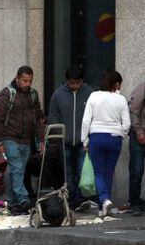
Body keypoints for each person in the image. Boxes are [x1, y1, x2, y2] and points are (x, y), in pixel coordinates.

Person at [0, 66, 45, 215]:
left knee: (18, 172)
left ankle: (11, 202)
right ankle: (24, 200)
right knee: (16, 169)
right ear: (17, 79)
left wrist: (40, 140)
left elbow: (37, 120)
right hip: (10, 138)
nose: (27, 84)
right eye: (24, 81)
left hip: (26, 140)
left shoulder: (33, 95)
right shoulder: (7, 94)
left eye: (30, 81)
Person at [81, 69, 130, 216]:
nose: (120, 87)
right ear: (115, 84)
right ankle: (104, 207)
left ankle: (104, 199)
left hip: (97, 137)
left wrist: (84, 140)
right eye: (119, 84)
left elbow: (85, 121)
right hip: (115, 139)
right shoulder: (121, 99)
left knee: (99, 172)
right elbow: (127, 124)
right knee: (109, 172)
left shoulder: (94, 96)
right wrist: (121, 134)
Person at [48, 65, 93, 211]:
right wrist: (57, 134)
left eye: (77, 83)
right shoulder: (58, 94)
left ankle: (81, 199)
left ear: (82, 81)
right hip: (65, 140)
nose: (74, 86)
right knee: (68, 172)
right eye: (71, 83)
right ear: (67, 81)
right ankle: (73, 199)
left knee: (81, 170)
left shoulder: (90, 94)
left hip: (82, 141)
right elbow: (53, 115)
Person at [128, 80, 145, 212]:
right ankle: (134, 202)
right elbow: (133, 109)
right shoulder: (142, 87)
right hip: (140, 135)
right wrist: (138, 131)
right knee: (137, 170)